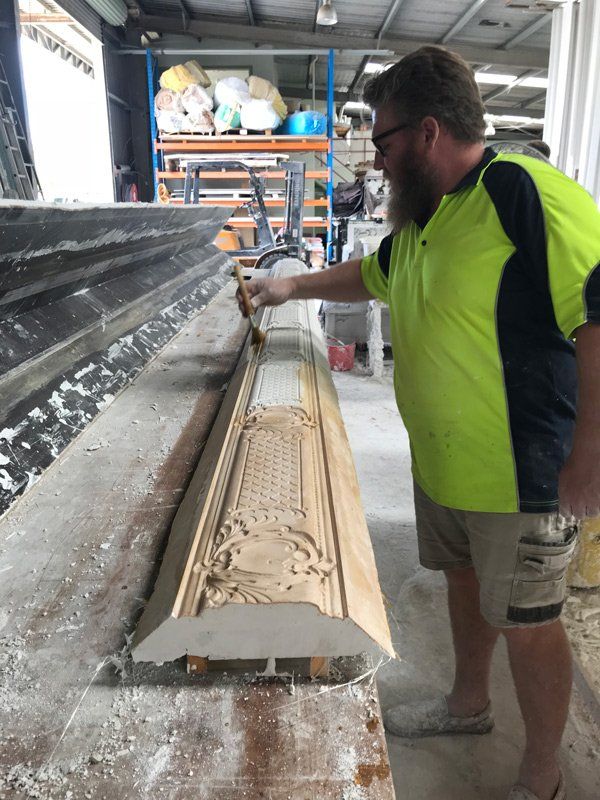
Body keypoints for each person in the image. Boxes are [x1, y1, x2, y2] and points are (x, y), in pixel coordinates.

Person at [236, 45, 600, 800]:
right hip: (445, 464)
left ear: (428, 132)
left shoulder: (523, 192)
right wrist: (289, 284)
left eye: (386, 140)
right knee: (463, 586)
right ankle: (468, 705)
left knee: (530, 621)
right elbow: (373, 275)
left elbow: (598, 312)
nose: (379, 158)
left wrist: (591, 451)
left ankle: (542, 773)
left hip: (522, 469)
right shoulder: (428, 217)